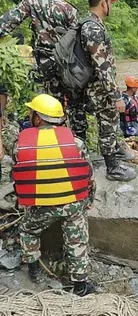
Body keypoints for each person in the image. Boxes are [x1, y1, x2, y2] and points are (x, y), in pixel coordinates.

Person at [12, 94, 95, 296]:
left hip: (42, 206)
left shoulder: (21, 144)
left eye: (32, 112)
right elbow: (89, 175)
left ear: (39, 118)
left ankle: (34, 271)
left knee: (27, 230)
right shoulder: (76, 143)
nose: (29, 114)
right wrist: (88, 201)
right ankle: (80, 286)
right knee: (77, 239)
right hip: (73, 203)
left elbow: (19, 178)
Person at [0, 0, 81, 134]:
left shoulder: (32, 1)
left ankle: (38, 140)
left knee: (39, 104)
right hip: (63, 67)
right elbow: (77, 43)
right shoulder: (70, 9)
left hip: (40, 65)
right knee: (60, 107)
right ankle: (63, 140)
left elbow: (8, 22)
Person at [80, 0, 136, 181]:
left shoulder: (91, 24)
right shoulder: (93, 28)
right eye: (110, 2)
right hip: (99, 89)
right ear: (104, 2)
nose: (110, 5)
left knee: (108, 125)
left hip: (97, 86)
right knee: (108, 125)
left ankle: (114, 155)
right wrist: (116, 97)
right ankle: (113, 168)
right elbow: (102, 66)